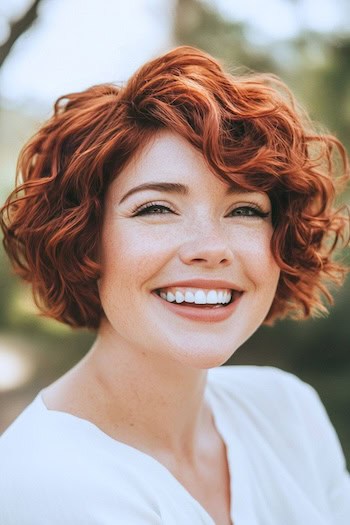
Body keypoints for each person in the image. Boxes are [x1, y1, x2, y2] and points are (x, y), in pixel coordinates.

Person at [0, 45, 349, 525]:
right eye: (156, 208)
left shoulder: (288, 411)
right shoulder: (49, 487)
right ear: (84, 240)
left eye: (245, 210)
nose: (212, 247)